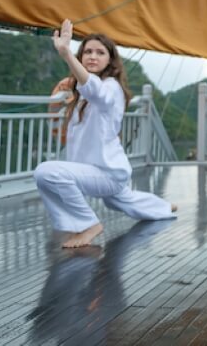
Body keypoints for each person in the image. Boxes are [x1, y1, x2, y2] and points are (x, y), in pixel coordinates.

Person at [34, 20, 177, 248]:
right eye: (87, 51)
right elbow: (87, 88)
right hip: (106, 171)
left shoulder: (111, 87)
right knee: (122, 201)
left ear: (110, 60)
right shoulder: (80, 95)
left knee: (46, 172)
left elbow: (95, 90)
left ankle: (87, 224)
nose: (93, 56)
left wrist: (66, 53)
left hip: (106, 172)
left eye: (100, 53)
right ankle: (164, 207)